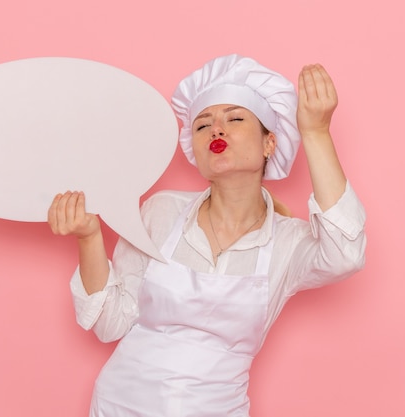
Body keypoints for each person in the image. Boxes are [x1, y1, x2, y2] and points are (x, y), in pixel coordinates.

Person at [48, 54, 366, 417]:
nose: (216, 130)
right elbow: (110, 324)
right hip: (120, 405)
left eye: (234, 118)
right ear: (195, 152)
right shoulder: (161, 211)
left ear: (269, 144)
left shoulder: (289, 244)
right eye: (202, 125)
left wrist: (316, 132)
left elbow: (346, 253)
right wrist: (89, 237)